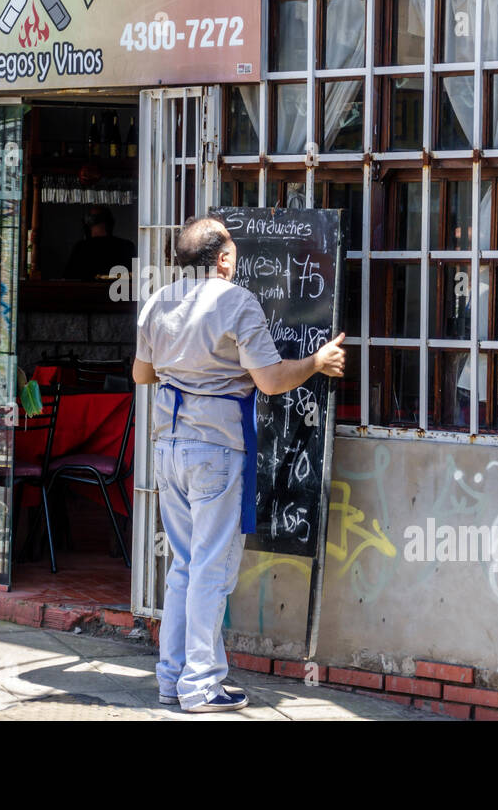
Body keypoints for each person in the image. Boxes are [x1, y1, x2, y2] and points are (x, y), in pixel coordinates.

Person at [132, 216, 346, 713]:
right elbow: (270, 381)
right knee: (211, 569)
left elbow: (142, 373)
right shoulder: (236, 302)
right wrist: (315, 362)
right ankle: (201, 685)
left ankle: (172, 679)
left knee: (183, 567)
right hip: (217, 450)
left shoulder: (156, 302)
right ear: (224, 258)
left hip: (169, 448)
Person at [63, 206, 136, 280]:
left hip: (87, 291)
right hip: (118, 291)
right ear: (111, 222)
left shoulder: (81, 248)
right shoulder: (127, 247)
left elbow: (68, 278)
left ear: (88, 223)